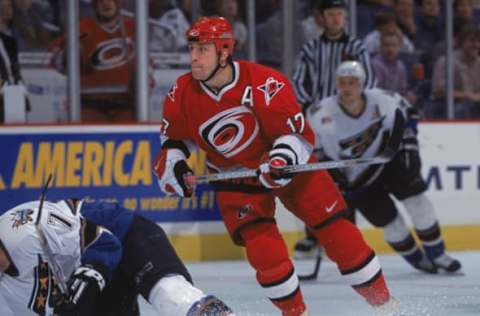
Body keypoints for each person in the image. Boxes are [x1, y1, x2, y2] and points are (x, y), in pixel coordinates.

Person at [153, 16, 400, 316]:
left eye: (203, 49)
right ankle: (295, 314)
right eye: (192, 48)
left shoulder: (264, 83)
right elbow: (175, 142)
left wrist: (280, 160)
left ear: (224, 51)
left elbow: (295, 135)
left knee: (339, 234)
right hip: (234, 175)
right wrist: (175, 167)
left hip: (290, 166)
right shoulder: (181, 92)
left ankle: (386, 307)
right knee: (264, 252)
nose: (194, 57)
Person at [306, 60, 462, 275]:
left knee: (418, 204)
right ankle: (419, 261)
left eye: (353, 82)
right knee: (391, 224)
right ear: (336, 84)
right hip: (356, 179)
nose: (348, 87)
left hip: (389, 162)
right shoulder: (319, 113)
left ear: (362, 83)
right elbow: (314, 151)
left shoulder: (383, 100)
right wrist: (330, 176)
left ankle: (438, 255)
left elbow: (410, 118)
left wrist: (409, 149)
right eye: (343, 82)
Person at [0, 198, 234, 316]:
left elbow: (104, 241)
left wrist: (88, 279)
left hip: (126, 236)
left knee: (173, 296)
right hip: (100, 288)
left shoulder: (25, 227)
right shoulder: (6, 294)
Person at [292, 0, 376, 259]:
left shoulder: (356, 47)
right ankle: (313, 234)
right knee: (315, 178)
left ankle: (345, 234)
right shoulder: (311, 48)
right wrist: (313, 108)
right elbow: (298, 82)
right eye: (331, 14)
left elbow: (369, 79)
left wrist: (355, 107)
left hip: (348, 121)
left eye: (340, 14)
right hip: (319, 122)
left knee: (348, 179)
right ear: (322, 17)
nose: (336, 18)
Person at [50, 0, 139, 122]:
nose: (106, 3)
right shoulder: (82, 28)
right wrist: (69, 53)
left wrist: (144, 82)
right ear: (94, 5)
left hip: (125, 102)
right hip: (89, 102)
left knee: (130, 136)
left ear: (118, 3)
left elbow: (147, 66)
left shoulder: (132, 29)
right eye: (100, 1)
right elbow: (56, 61)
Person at [430, 26, 480, 118]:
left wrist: (473, 97)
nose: (476, 45)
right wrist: (467, 95)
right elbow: (438, 92)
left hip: (473, 106)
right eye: (472, 41)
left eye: (478, 41)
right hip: (445, 107)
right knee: (462, 108)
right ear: (461, 43)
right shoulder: (446, 62)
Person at [0, 0, 31, 123]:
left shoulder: (9, 41)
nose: (7, 10)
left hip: (13, 98)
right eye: (4, 6)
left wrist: (20, 91)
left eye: (9, 6)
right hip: (4, 98)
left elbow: (13, 70)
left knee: (17, 137)